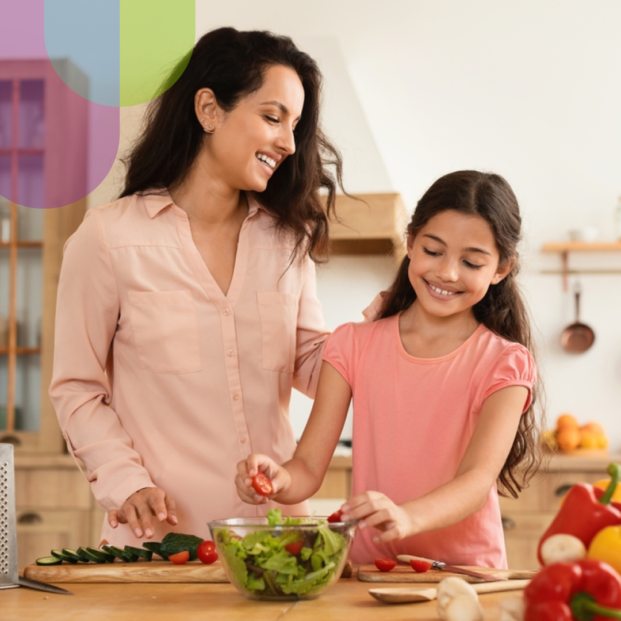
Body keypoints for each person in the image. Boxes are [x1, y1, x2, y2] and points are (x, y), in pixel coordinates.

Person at [49, 27, 345, 547]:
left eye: (295, 125)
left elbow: (313, 363)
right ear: (208, 109)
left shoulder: (285, 242)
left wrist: (390, 333)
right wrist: (126, 481)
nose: (289, 143)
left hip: (275, 537)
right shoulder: (109, 239)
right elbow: (77, 387)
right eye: (273, 117)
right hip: (163, 542)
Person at [236, 170, 544, 568]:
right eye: (433, 251)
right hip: (371, 573)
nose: (447, 272)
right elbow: (309, 467)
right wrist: (279, 479)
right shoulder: (352, 344)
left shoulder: (505, 362)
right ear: (411, 242)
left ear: (501, 268)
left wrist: (407, 516)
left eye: (471, 261)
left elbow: (475, 481)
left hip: (465, 575)